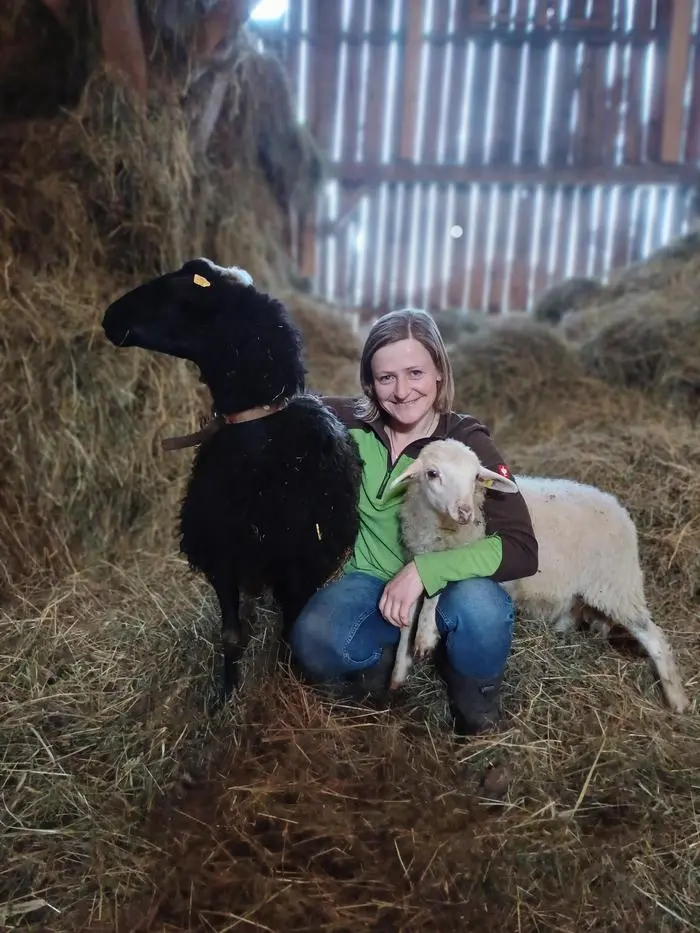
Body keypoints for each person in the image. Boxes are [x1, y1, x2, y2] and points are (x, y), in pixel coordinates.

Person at [288, 308, 538, 734]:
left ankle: (474, 704)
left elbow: (522, 548)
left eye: (415, 373)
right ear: (369, 382)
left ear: (439, 372)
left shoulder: (466, 443)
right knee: (312, 640)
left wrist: (425, 570)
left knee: (481, 609)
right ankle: (381, 661)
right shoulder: (347, 423)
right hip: (369, 579)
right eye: (386, 378)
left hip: (451, 583)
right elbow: (283, 408)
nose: (402, 391)